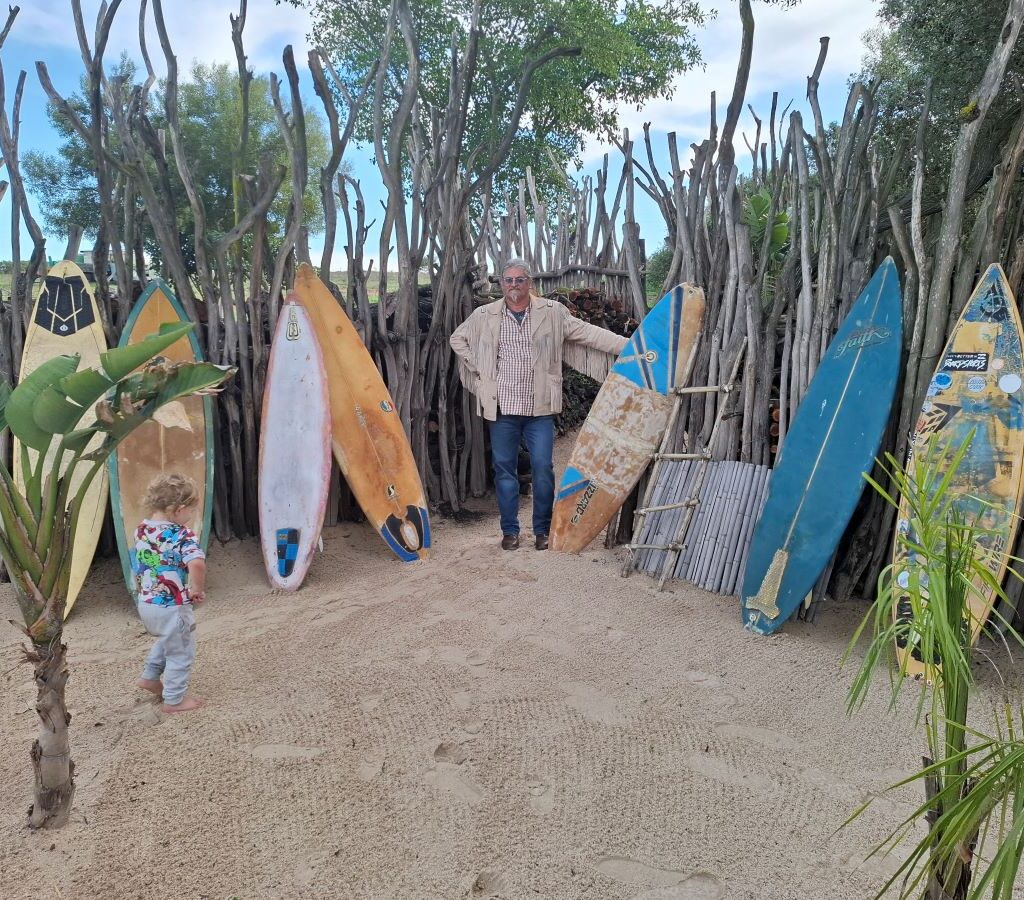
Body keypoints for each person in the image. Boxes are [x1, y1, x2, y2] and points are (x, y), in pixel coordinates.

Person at [450, 259, 628, 550]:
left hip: (539, 409)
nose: (514, 285)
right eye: (508, 280)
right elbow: (457, 339)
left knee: (543, 468)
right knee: (504, 469)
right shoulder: (485, 314)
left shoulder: (552, 313)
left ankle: (542, 531)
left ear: (529, 283)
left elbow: (588, 333)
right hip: (502, 409)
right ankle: (510, 531)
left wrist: (628, 345)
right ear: (501, 284)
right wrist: (480, 367)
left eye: (520, 280)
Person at [134, 473, 208, 713]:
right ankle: (174, 700)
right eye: (191, 512)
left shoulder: (142, 530)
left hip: (146, 603)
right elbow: (196, 563)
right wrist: (196, 589)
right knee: (181, 651)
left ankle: (150, 676)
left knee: (169, 638)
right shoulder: (181, 535)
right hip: (172, 604)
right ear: (179, 509)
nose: (190, 518)